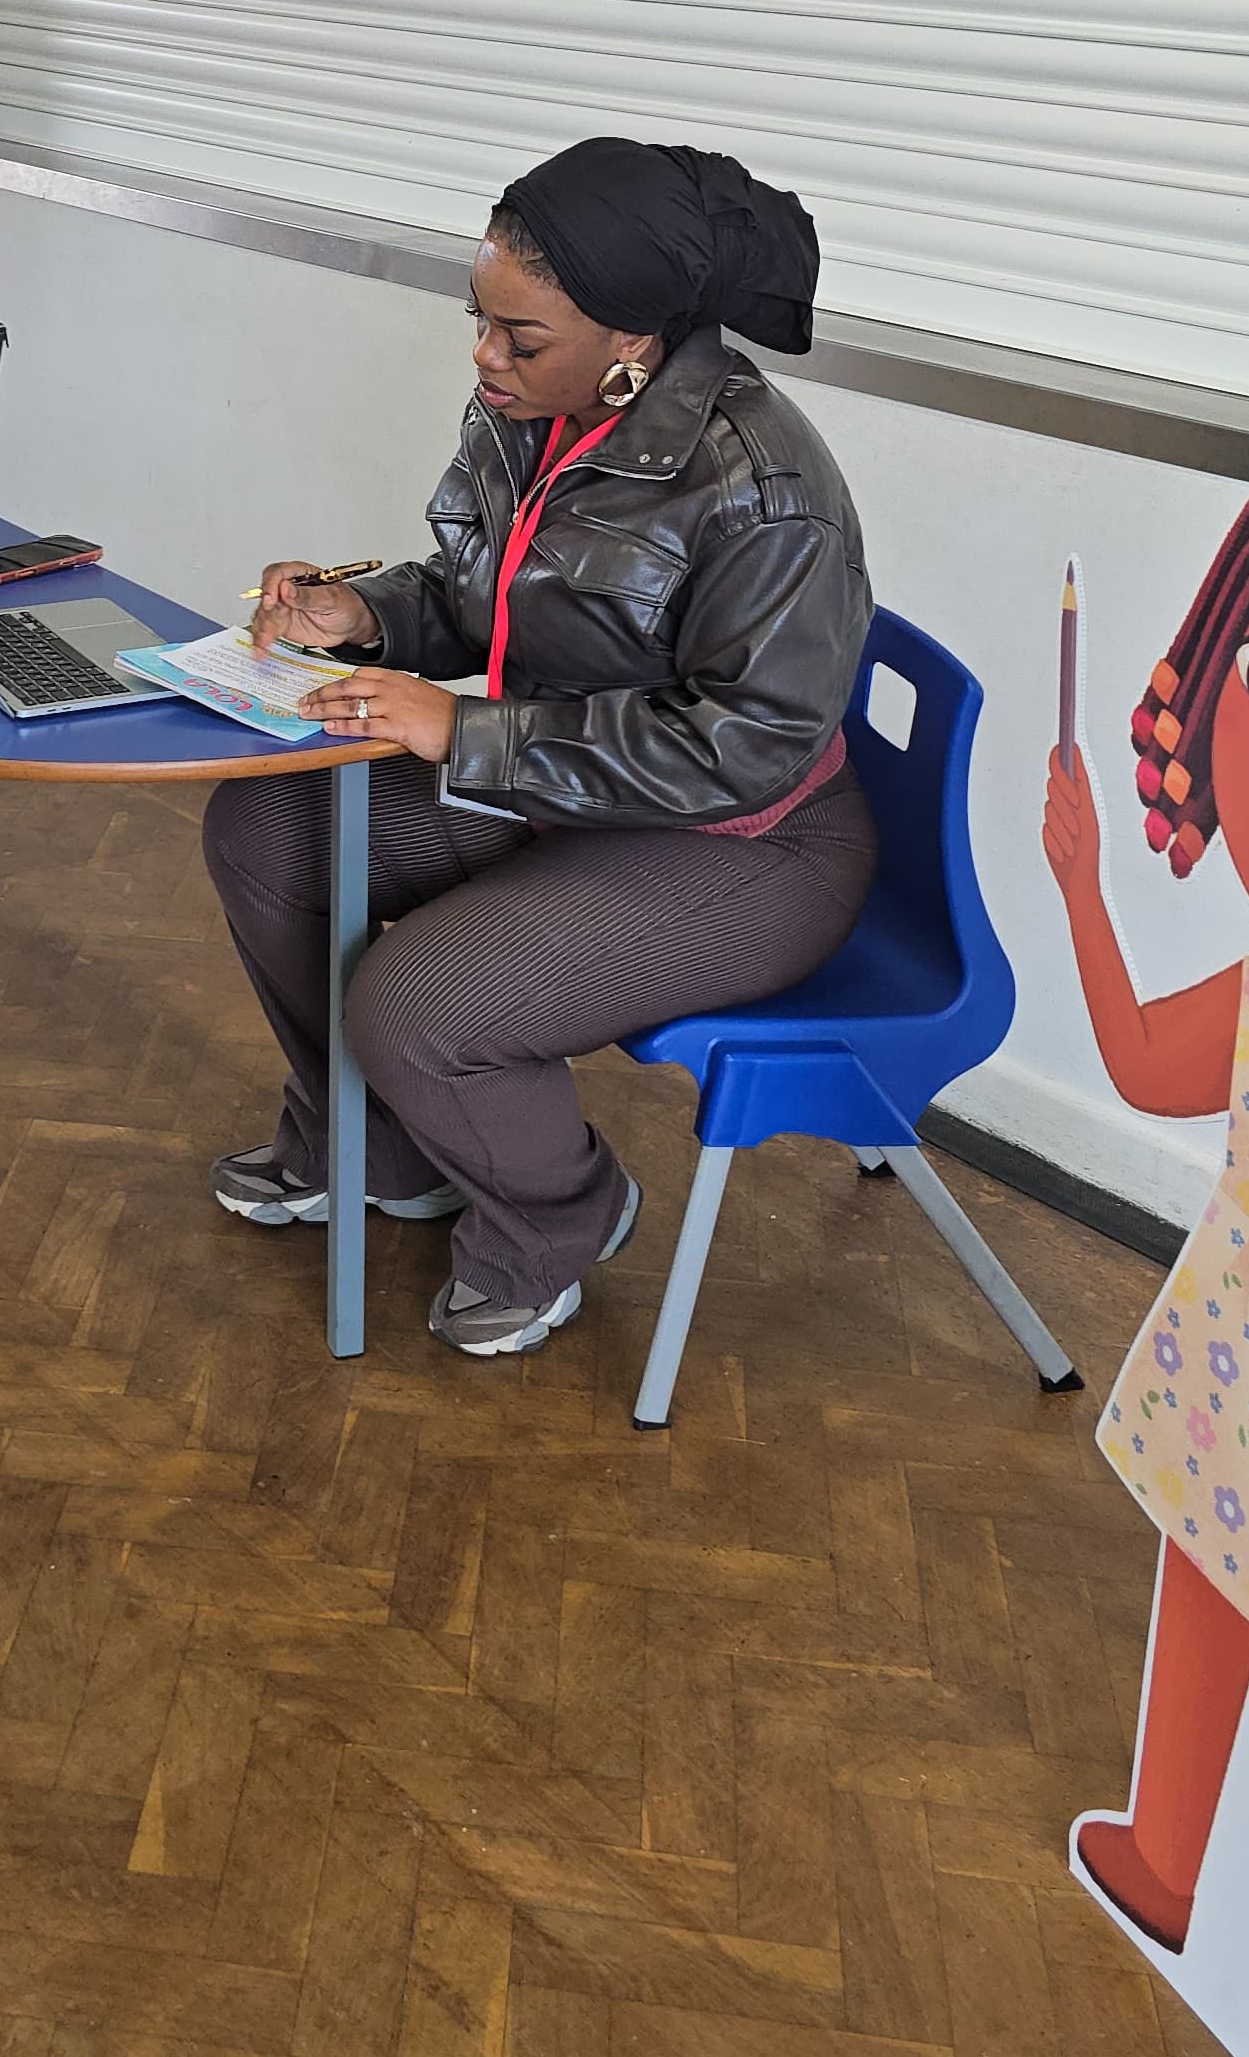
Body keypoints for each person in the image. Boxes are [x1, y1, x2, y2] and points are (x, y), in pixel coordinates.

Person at [204, 136, 878, 1355]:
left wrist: (462, 728)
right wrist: (360, 616)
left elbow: (747, 745)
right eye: (478, 321)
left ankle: (559, 1213)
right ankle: (375, 1145)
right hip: (563, 777)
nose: (483, 358)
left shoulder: (759, 483)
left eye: (518, 339)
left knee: (415, 1005)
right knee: (267, 828)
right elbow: (485, 595)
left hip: (742, 841)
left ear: (630, 342)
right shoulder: (529, 416)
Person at [1044, 467, 1249, 1952]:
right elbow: (1134, 1059)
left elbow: (1135, 1061)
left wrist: (1080, 884)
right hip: (1244, 1360)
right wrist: (1078, 882)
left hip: (1246, 1366)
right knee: (1210, 1580)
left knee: (1216, 1578)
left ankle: (1193, 1864)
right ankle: (1180, 1863)